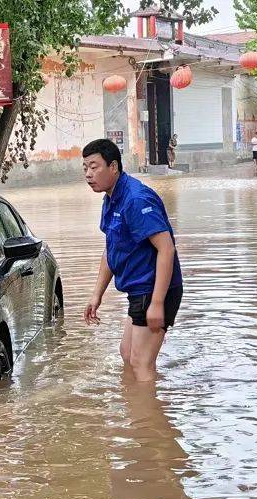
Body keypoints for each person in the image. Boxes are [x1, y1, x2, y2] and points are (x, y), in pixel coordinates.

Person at [82, 138, 183, 382]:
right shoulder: (111, 199)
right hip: (139, 290)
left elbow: (166, 249)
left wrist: (157, 303)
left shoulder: (136, 199)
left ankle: (150, 420)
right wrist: (97, 295)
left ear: (113, 167)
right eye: (85, 168)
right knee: (127, 355)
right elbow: (111, 248)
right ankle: (138, 412)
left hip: (155, 288)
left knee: (140, 362)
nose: (88, 174)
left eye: (94, 167)